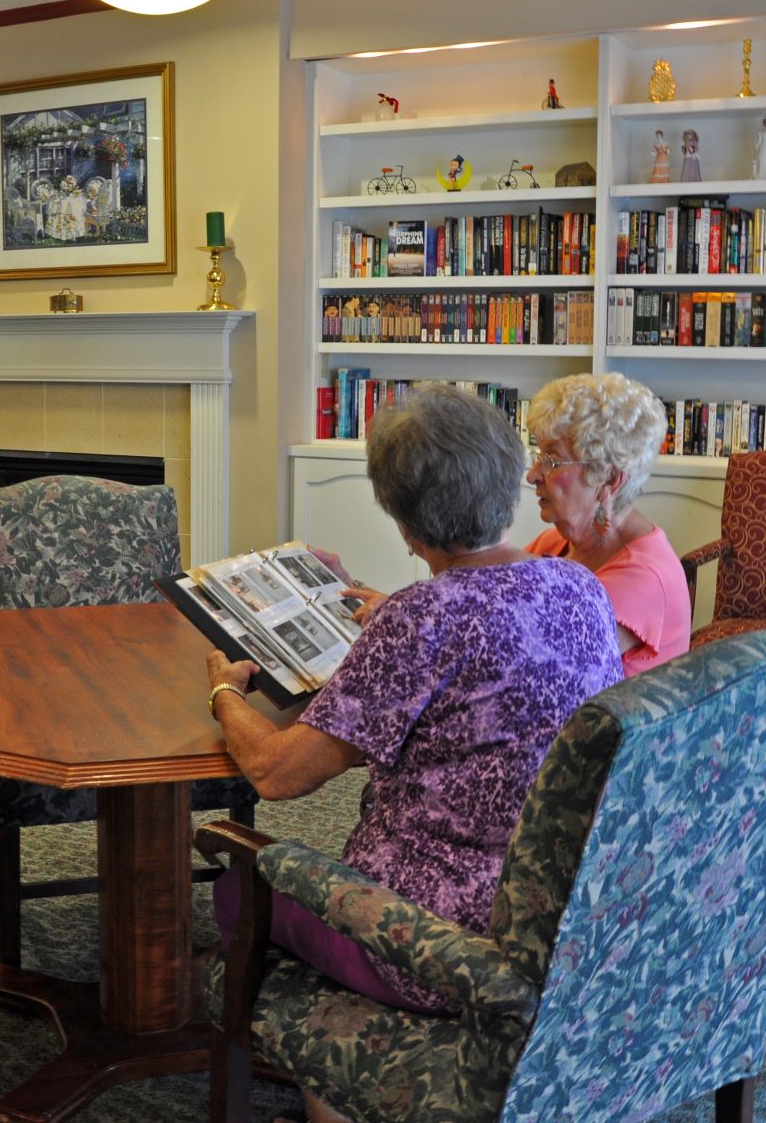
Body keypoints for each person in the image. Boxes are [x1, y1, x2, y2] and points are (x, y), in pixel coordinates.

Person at [205, 386, 621, 1047]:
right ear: (510, 481)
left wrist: (224, 691)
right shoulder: (578, 586)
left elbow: (275, 773)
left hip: (432, 941)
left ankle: (341, 1077)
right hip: (562, 917)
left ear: (404, 521)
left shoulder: (418, 619)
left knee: (235, 893)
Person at [522, 373, 691, 677]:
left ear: (608, 479)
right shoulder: (554, 544)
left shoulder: (644, 579)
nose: (532, 475)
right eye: (539, 455)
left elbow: (536, 665)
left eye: (551, 459)